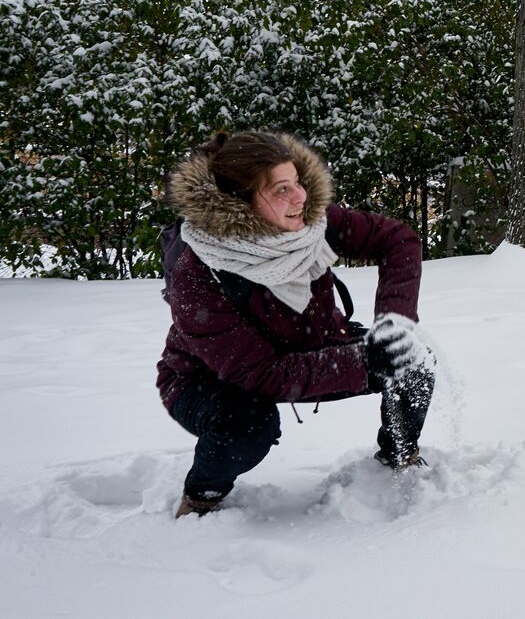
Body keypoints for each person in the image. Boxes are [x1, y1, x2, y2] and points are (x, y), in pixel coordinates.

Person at [157, 130, 436, 517]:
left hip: (311, 343)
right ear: (239, 202)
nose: (301, 197)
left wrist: (394, 322)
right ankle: (201, 496)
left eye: (298, 182)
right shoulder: (199, 272)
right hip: (207, 379)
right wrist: (366, 361)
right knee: (248, 427)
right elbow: (261, 373)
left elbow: (397, 239)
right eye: (281, 190)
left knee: (412, 360)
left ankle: (399, 459)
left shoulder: (312, 225)